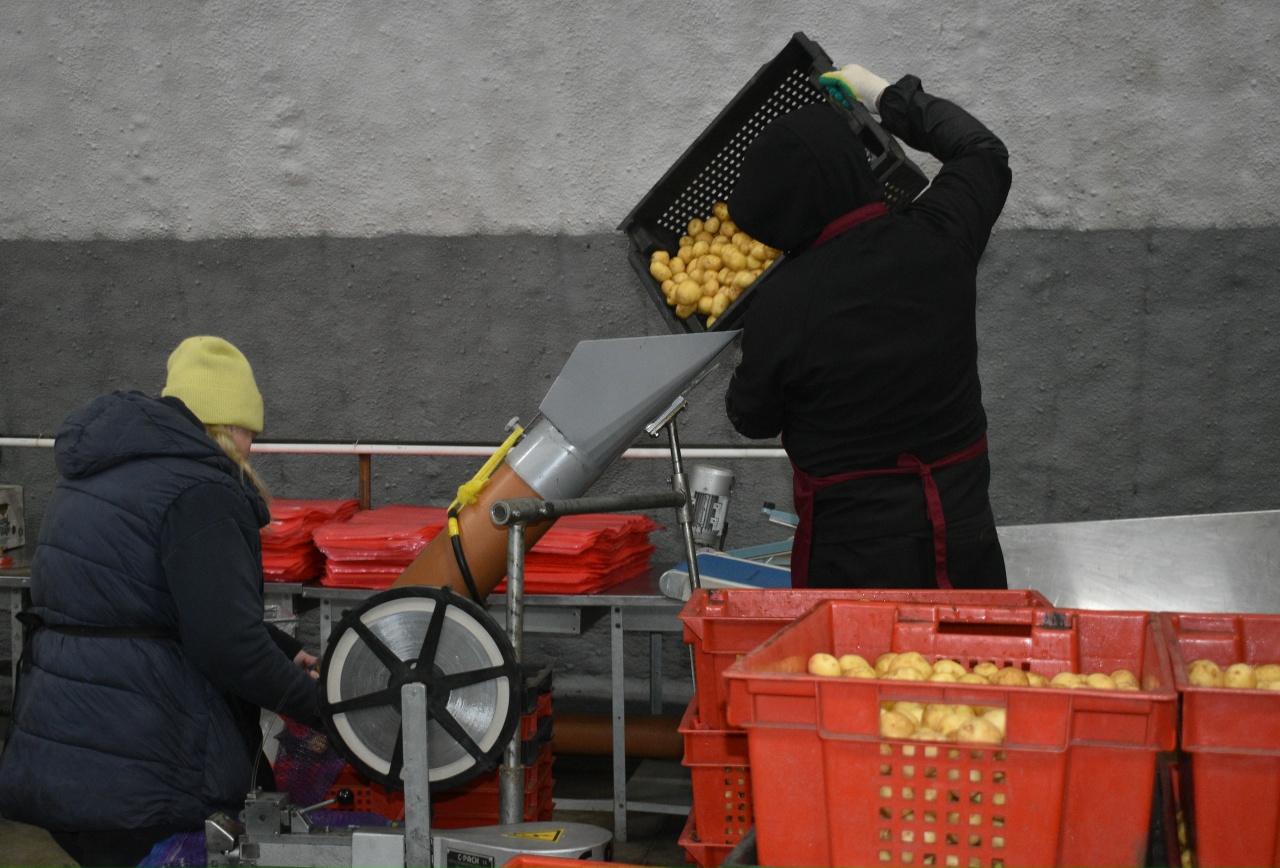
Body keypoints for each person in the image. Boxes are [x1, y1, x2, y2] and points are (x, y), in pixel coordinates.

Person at [0, 336, 321, 867]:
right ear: (225, 422)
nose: (252, 446)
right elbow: (226, 645)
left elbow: (154, 605)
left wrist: (285, 651)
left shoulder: (97, 473)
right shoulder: (201, 492)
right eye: (250, 429)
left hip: (65, 756)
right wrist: (325, 708)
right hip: (146, 770)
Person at [724, 64, 1012, 590]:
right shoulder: (939, 236)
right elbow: (982, 151)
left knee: (857, 650)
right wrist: (884, 96)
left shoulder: (781, 306)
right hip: (962, 542)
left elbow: (752, 416)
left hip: (852, 566)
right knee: (969, 647)